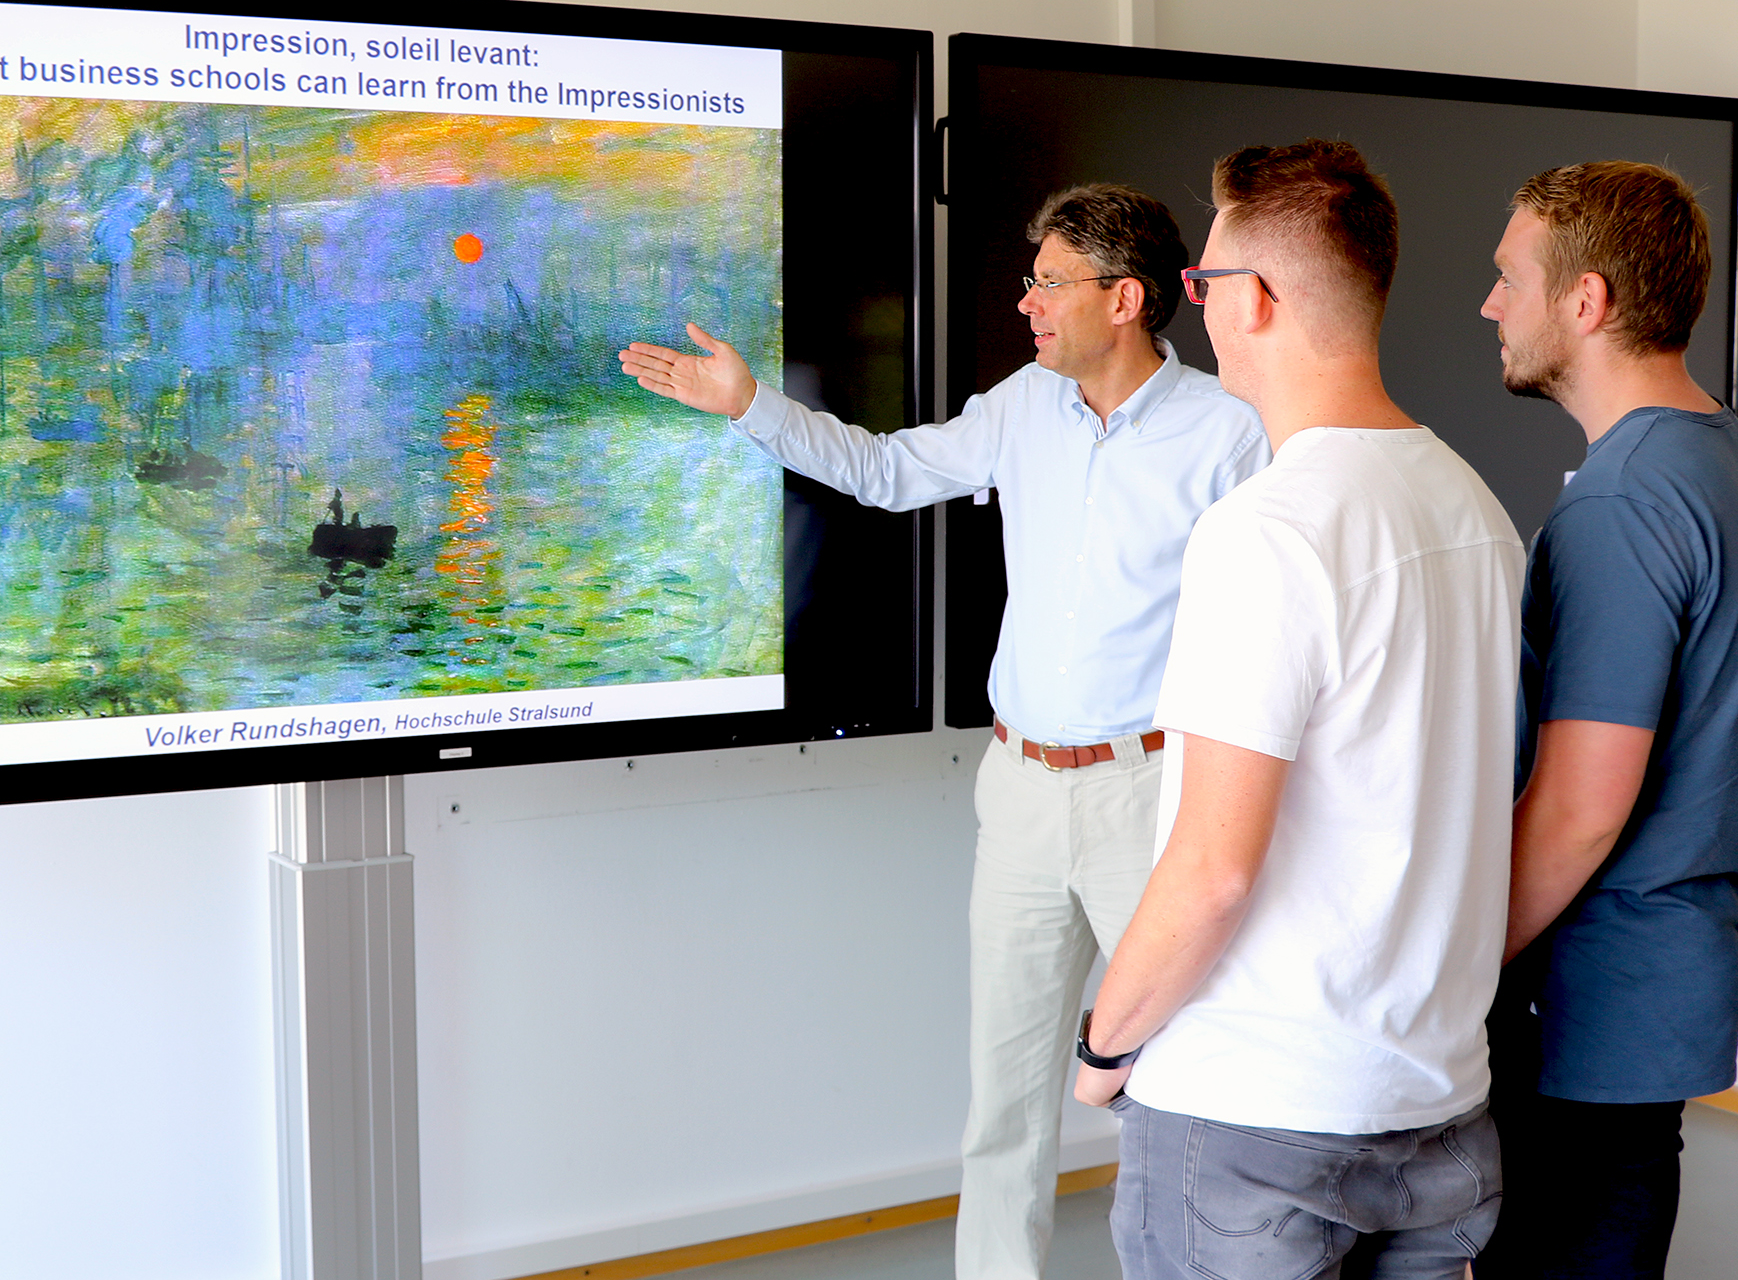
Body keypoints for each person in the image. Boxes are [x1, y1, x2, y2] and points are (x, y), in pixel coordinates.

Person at [621, 184, 1267, 1280]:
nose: (1026, 304)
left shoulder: (1232, 432)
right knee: (1003, 1101)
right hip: (1021, 791)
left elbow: (1269, 624)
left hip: (1151, 798)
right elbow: (885, 473)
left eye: (1049, 283)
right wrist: (749, 406)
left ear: (1125, 298)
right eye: (1029, 282)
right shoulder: (1021, 404)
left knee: (1179, 1086)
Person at [1071, 139, 1522, 1279]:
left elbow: (1213, 870)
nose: (1197, 306)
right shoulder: (1475, 510)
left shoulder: (1264, 531)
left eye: (1201, 282)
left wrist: (1103, 1042)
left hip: (1252, 1122)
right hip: (1438, 1115)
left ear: (1255, 300)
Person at [1471, 162, 1736, 1280]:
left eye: (1511, 277)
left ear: (1586, 302)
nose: (1491, 303)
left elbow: (1581, 808)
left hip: (1586, 1011)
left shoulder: (1624, 501)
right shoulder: (1718, 455)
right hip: (1666, 995)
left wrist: (1455, 969)